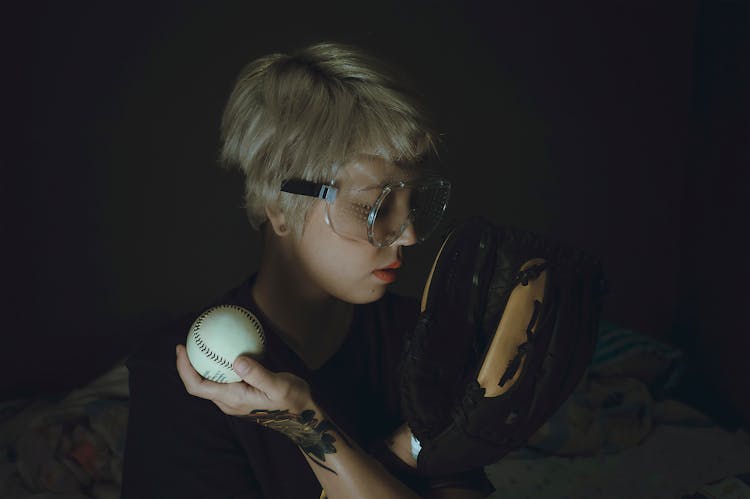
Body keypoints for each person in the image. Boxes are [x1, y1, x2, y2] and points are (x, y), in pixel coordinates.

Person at [121, 42, 495, 498]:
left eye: (413, 202)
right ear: (279, 207)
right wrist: (382, 448)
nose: (410, 234)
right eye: (374, 206)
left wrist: (310, 425)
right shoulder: (183, 380)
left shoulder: (419, 338)